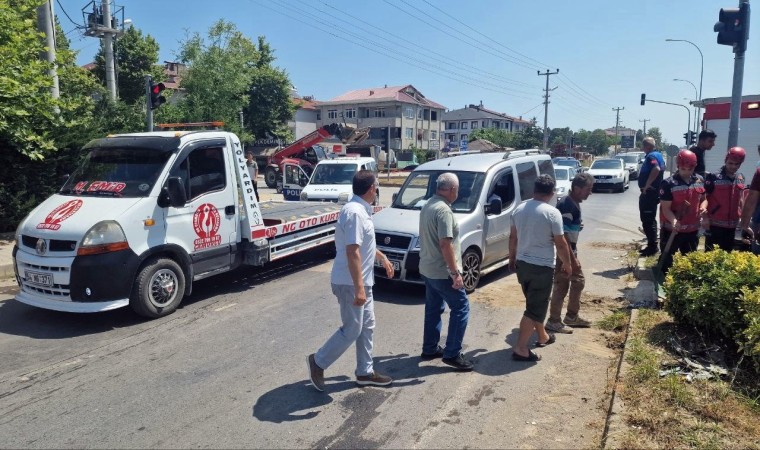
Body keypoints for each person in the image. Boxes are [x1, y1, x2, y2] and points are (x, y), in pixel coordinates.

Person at [307, 170, 395, 392]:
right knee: (352, 329)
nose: (377, 190)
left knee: (367, 326)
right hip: (350, 283)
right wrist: (359, 289)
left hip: (362, 281)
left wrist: (382, 257)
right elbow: (352, 251)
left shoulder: (361, 210)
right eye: (377, 186)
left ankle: (365, 372)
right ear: (372, 188)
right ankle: (318, 361)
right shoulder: (355, 213)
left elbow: (364, 245)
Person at [508, 174, 572, 362]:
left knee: (534, 303)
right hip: (541, 267)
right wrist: (568, 264)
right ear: (552, 193)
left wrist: (512, 258)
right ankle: (521, 348)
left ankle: (543, 336)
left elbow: (513, 237)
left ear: (534, 190)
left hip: (522, 264)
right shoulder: (552, 213)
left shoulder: (519, 209)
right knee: (534, 309)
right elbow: (561, 243)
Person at [418, 172, 473, 371]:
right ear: (452, 190)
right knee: (461, 307)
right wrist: (455, 273)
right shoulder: (443, 211)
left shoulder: (428, 205)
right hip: (442, 272)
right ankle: (452, 353)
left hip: (428, 268)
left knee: (433, 308)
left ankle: (430, 348)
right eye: (457, 189)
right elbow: (445, 244)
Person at [546, 173, 594, 335]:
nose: (590, 193)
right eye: (588, 189)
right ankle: (555, 320)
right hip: (565, 253)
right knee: (563, 285)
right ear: (577, 188)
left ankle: (570, 317)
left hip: (568, 251)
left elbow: (567, 228)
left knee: (575, 282)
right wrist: (571, 259)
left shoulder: (572, 203)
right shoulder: (567, 204)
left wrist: (577, 226)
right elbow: (563, 236)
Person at [658, 149, 706, 273]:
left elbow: (704, 199)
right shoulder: (668, 184)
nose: (687, 172)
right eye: (683, 169)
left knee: (689, 263)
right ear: (678, 166)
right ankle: (663, 279)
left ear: (694, 167)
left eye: (690, 169)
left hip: (692, 230)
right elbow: (666, 208)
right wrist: (673, 220)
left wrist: (703, 207)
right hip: (672, 230)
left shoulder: (699, 181)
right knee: (667, 261)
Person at [703, 147, 746, 251]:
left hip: (732, 225)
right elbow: (704, 198)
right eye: (730, 163)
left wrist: (743, 217)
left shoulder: (740, 178)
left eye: (737, 164)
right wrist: (705, 218)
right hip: (715, 224)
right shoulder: (713, 177)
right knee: (711, 254)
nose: (733, 166)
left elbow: (741, 199)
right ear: (725, 160)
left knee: (727, 255)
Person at [638, 137, 666, 256]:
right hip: (653, 193)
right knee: (650, 219)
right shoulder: (658, 155)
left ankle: (652, 247)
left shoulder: (651, 157)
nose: (643, 149)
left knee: (647, 220)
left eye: (643, 146)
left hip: (649, 193)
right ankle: (652, 245)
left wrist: (646, 186)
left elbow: (656, 168)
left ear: (647, 146)